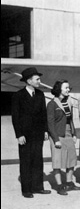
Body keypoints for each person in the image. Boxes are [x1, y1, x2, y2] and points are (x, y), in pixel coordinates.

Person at [11, 67, 51, 198]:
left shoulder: (40, 94)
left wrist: (45, 130)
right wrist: (19, 134)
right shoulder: (18, 95)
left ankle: (38, 187)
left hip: (38, 133)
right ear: (29, 81)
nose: (39, 81)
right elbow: (15, 117)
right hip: (25, 135)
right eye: (37, 79)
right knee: (26, 161)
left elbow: (43, 114)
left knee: (37, 160)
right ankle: (26, 189)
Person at [47, 80, 79, 195]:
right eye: (66, 88)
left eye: (68, 88)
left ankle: (69, 183)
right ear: (59, 89)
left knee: (71, 160)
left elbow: (71, 120)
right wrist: (55, 139)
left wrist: (74, 134)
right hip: (57, 134)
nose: (68, 90)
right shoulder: (52, 104)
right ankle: (59, 186)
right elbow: (50, 123)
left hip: (68, 133)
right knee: (57, 161)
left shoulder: (68, 102)